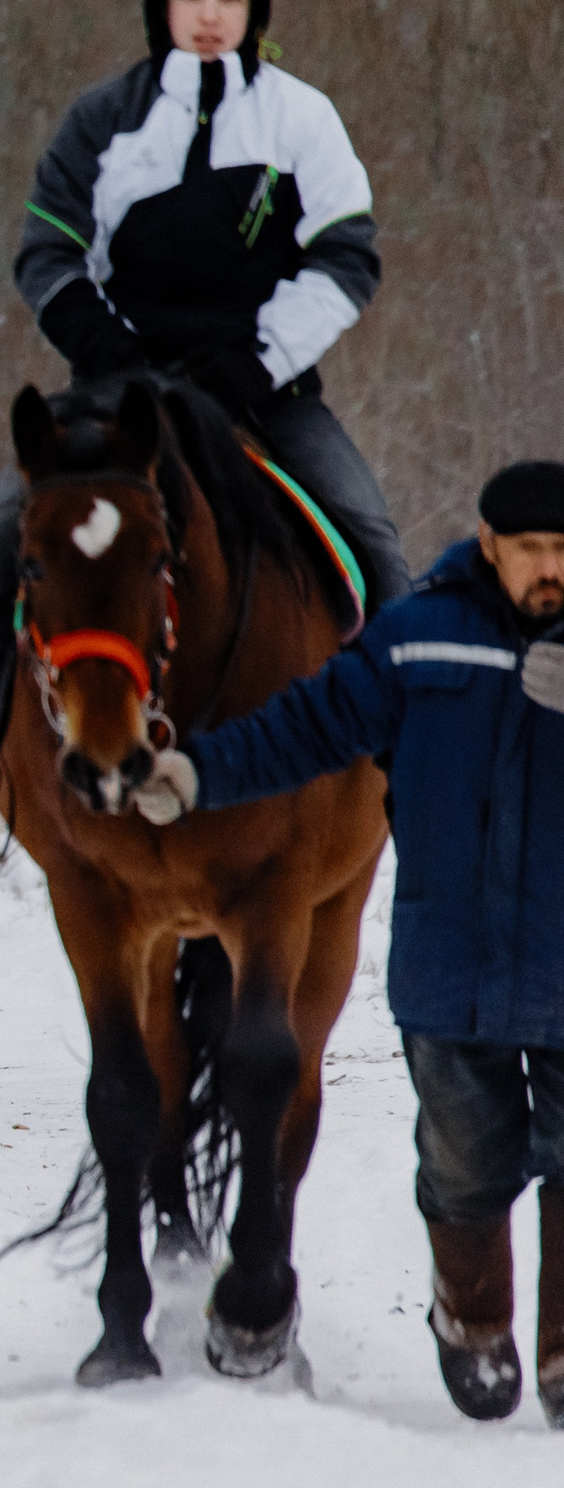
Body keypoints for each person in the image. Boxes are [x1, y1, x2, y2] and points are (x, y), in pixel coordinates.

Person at [0, 0, 407, 835]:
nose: (210, 16)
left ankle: (410, 767)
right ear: (162, 7)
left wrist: (254, 359)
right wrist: (106, 346)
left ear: (255, 12)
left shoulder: (302, 118)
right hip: (116, 393)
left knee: (374, 546)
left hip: (263, 391)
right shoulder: (102, 118)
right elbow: (48, 250)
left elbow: (347, 260)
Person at [133, 461, 564, 1426]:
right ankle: (476, 1320)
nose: (552, 570)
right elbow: (307, 727)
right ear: (488, 545)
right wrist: (198, 772)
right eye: (534, 549)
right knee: (464, 1162)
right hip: (450, 972)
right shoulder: (417, 642)